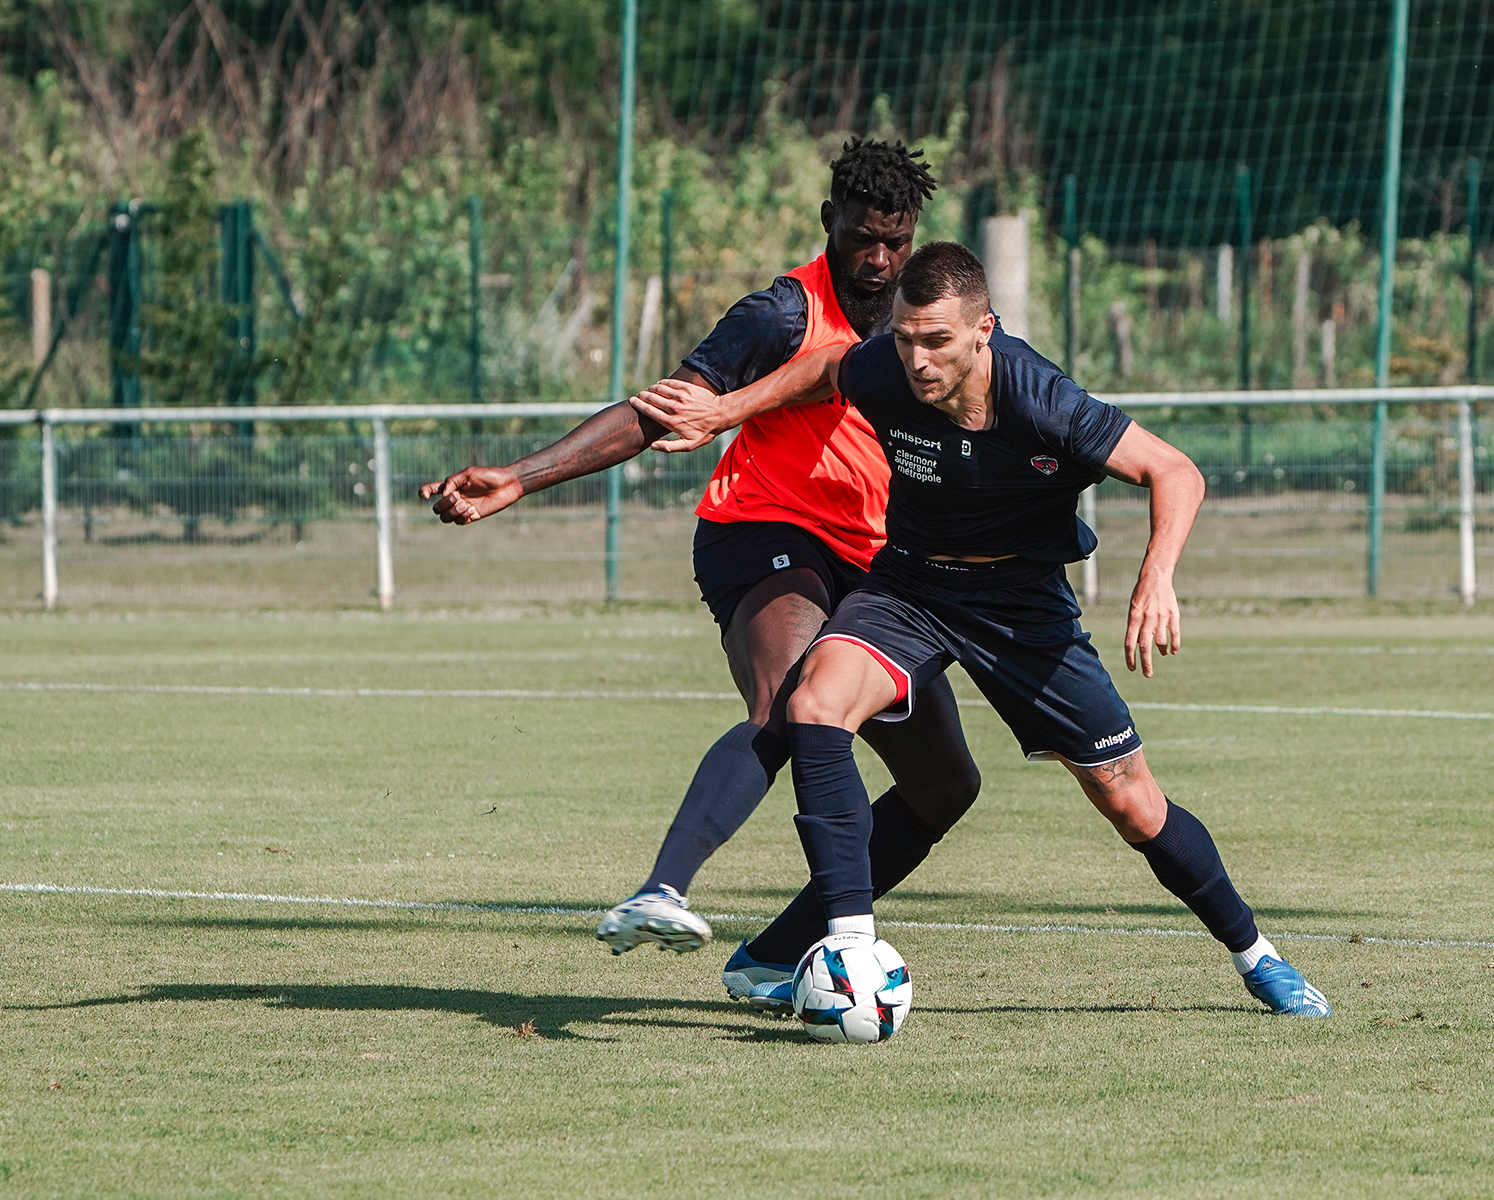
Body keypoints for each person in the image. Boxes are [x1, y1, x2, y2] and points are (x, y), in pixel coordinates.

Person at [630, 241, 1332, 1017]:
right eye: (905, 338)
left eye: (937, 340)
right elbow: (828, 365)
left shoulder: (1042, 400)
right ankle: (847, 945)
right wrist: (724, 411)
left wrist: (1156, 576)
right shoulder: (885, 366)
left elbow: (1175, 471)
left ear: (982, 330)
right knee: (815, 703)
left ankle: (1256, 955)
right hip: (912, 585)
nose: (918, 360)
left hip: (1022, 606)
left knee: (1130, 801)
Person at [418, 141, 982, 998]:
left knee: (944, 784)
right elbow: (660, 413)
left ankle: (772, 956)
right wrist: (521, 478)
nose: (878, 259)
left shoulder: (924, 327)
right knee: (790, 699)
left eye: (895, 243)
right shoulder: (781, 314)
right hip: (765, 530)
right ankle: (662, 889)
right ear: (828, 221)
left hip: (875, 562)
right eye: (863, 238)